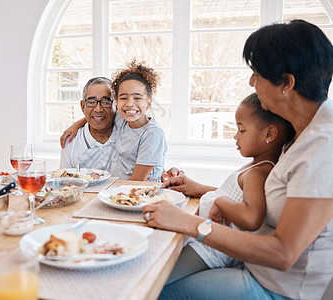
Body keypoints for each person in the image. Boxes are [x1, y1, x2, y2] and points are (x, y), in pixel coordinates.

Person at [143, 19, 333, 299]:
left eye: (257, 74)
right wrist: (206, 190)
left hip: (276, 288)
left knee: (151, 288)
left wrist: (189, 223)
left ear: (286, 84)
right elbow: (275, 199)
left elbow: (284, 253)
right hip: (255, 269)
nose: (251, 82)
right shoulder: (302, 130)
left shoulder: (321, 149)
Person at [165, 93, 294, 284]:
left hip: (211, 250)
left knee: (160, 278)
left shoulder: (258, 172)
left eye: (242, 130)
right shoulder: (255, 166)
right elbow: (237, 195)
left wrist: (220, 202)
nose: (235, 136)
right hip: (207, 241)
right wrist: (200, 188)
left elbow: (252, 217)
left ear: (269, 134)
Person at [61, 59, 167, 181]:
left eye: (137, 98)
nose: (129, 104)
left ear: (149, 103)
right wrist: (75, 125)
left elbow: (137, 181)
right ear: (117, 103)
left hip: (142, 194)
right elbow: (98, 116)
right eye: (123, 98)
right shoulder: (123, 120)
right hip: (124, 191)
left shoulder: (152, 134)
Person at [59, 77, 117, 173]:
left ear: (116, 105)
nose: (98, 109)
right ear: (83, 106)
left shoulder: (129, 135)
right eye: (91, 102)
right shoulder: (70, 142)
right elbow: (64, 183)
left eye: (105, 102)